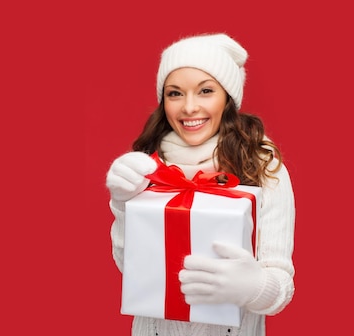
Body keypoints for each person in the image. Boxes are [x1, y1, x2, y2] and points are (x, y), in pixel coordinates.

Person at [105, 32, 296, 336]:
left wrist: (254, 287)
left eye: (205, 91)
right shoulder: (146, 165)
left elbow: (281, 289)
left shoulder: (262, 165)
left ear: (227, 98)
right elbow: (130, 268)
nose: (189, 108)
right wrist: (122, 204)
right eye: (175, 93)